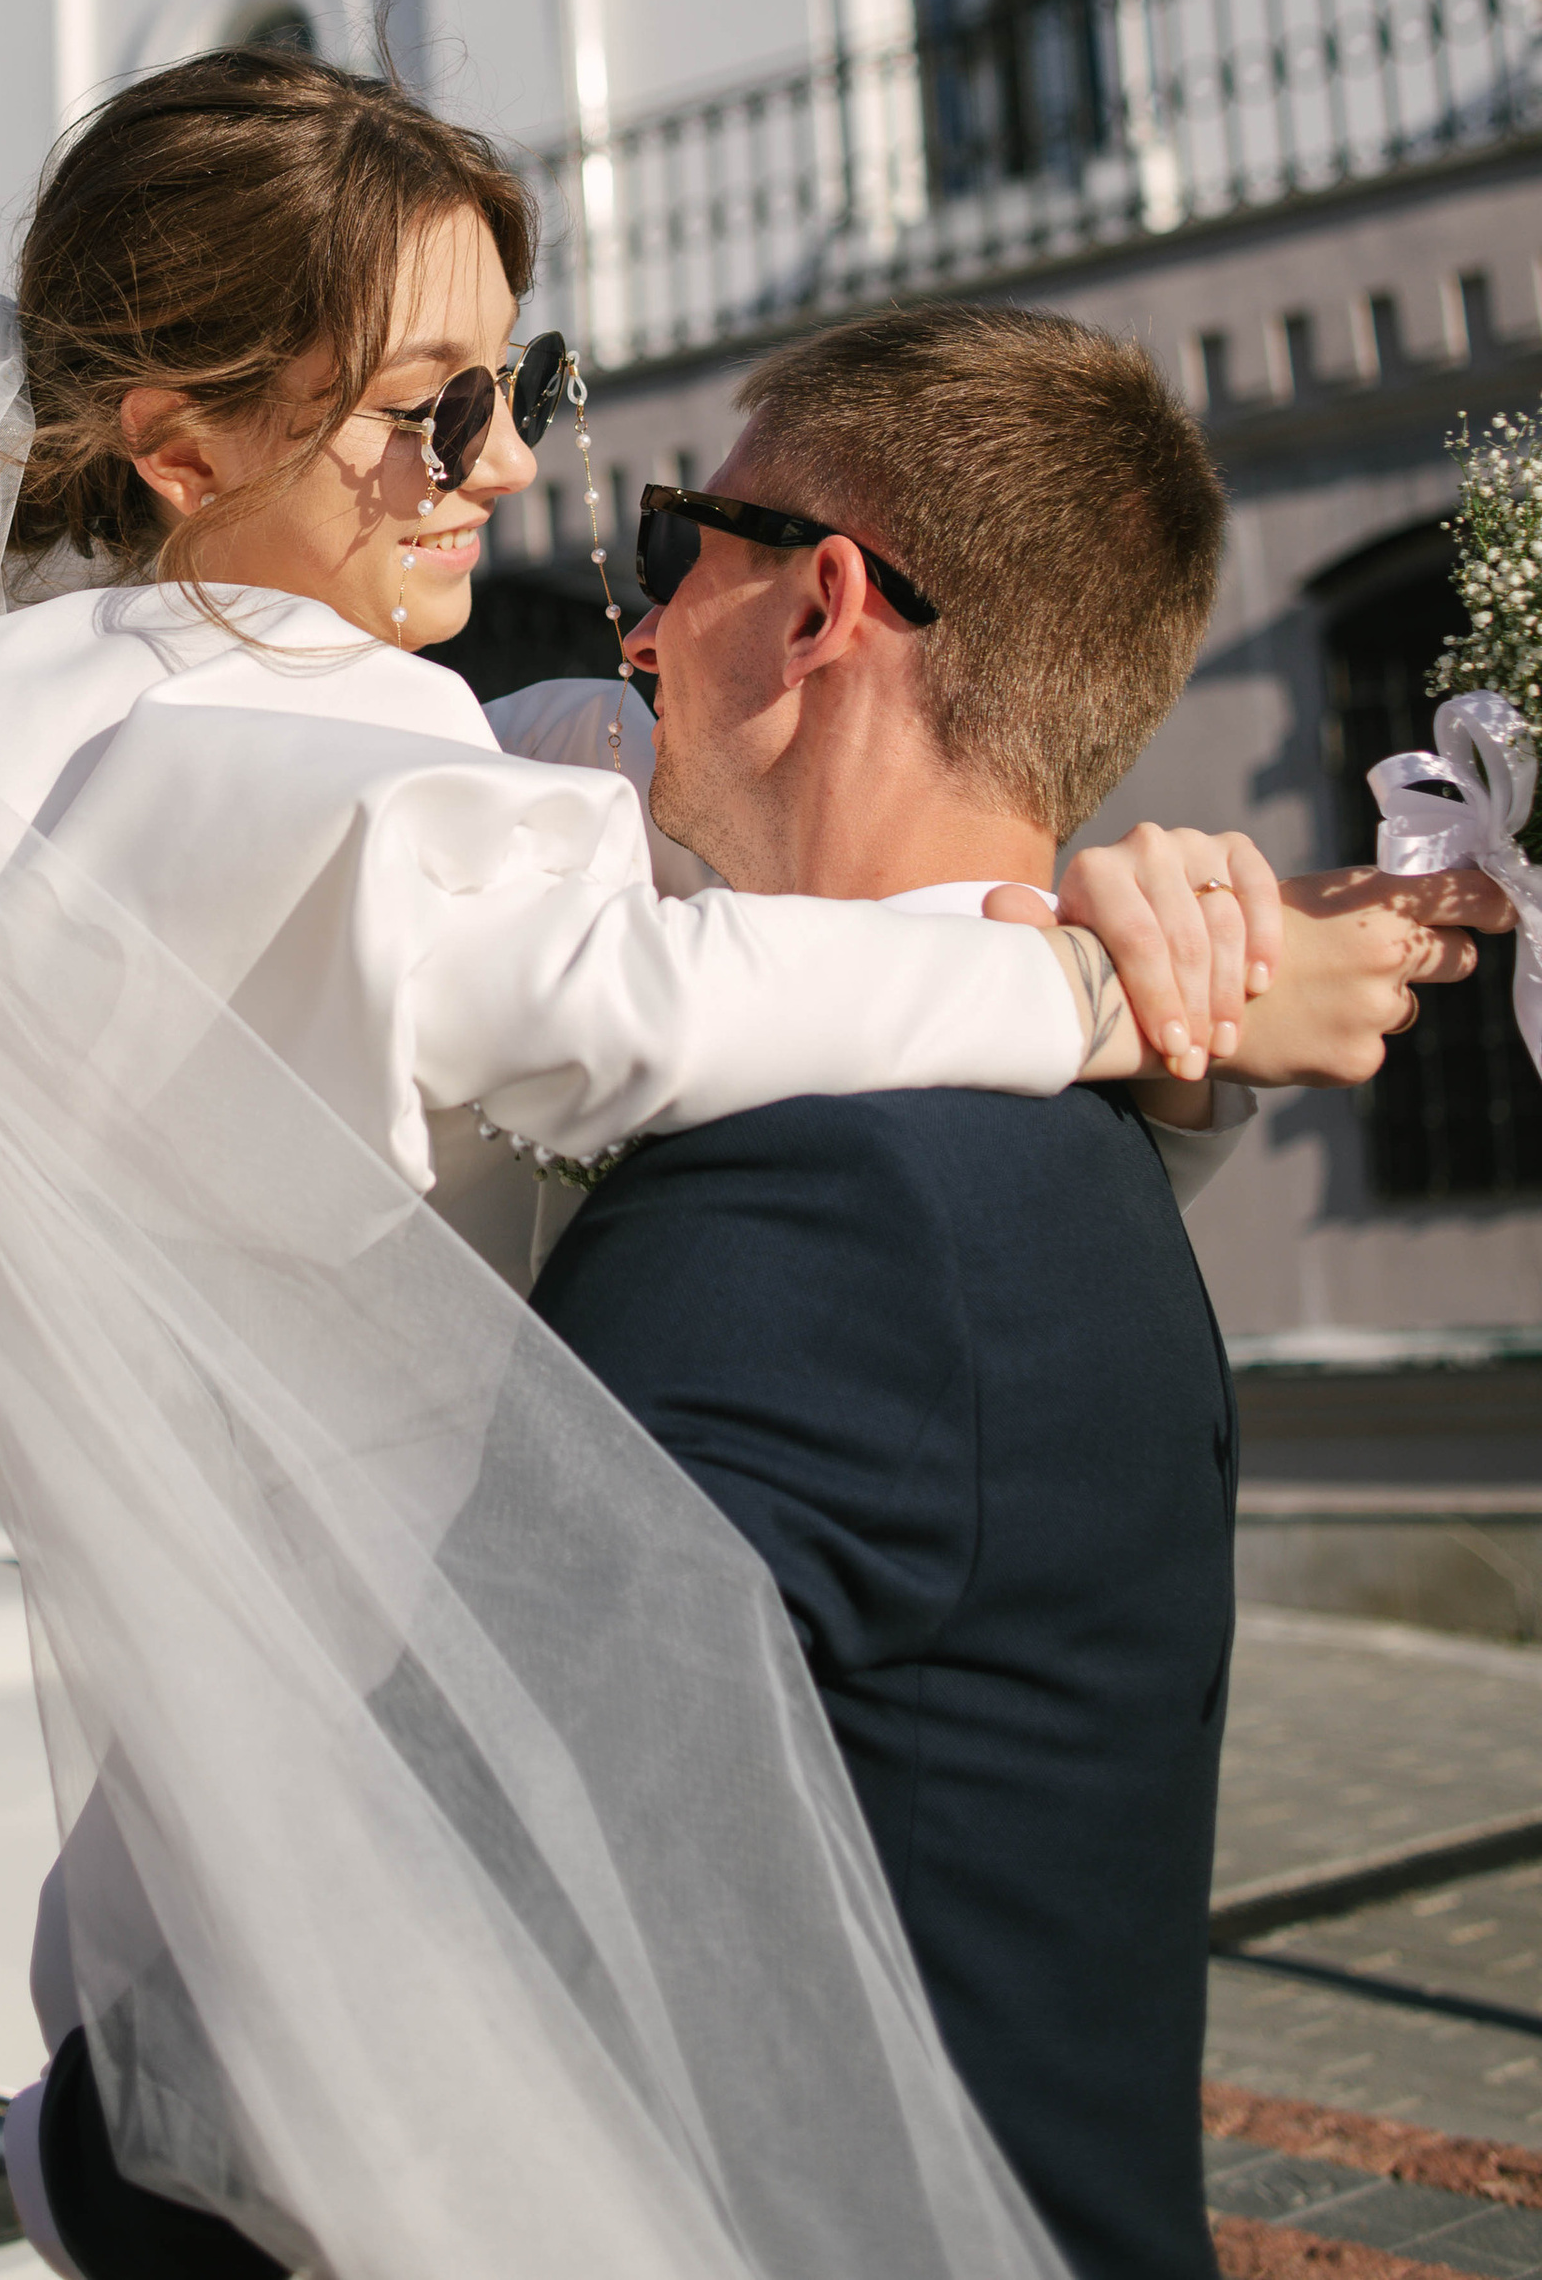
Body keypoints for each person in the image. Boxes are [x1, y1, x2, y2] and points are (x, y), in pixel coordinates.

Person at [0, 47, 1462, 2280]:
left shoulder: (101, 720)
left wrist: (1108, 944)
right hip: (366, 1665)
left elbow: (578, 815)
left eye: (522, 382)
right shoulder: (287, 779)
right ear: (180, 445)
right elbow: (628, 982)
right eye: (431, 410)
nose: (513, 467)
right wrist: (1124, 1003)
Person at [530, 300, 1484, 2280]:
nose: (627, 632)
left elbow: (485, 1873)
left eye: (661, 546)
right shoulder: (1083, 1125)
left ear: (816, 609)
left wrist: (97, 2154)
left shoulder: (829, 1193)